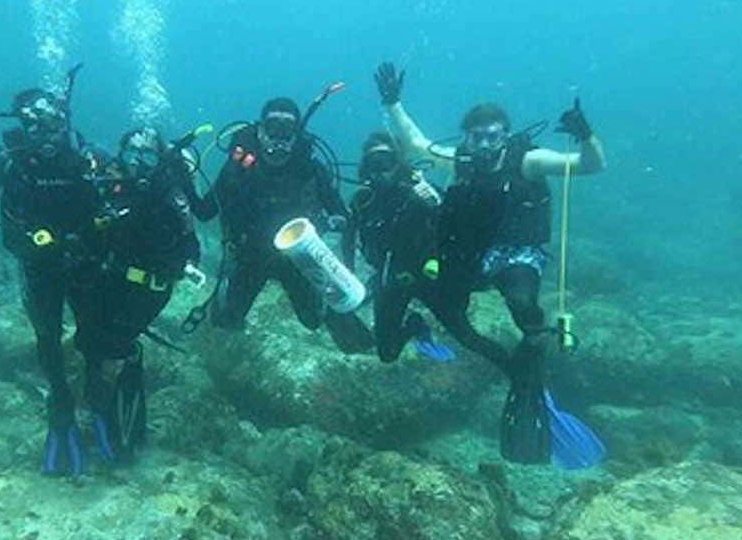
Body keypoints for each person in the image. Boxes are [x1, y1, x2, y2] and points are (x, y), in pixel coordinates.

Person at [373, 62, 606, 464]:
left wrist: (586, 136)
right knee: (442, 306)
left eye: (493, 137)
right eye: (477, 137)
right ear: (467, 137)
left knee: (521, 305)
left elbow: (589, 166)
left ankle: (533, 363)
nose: (484, 146)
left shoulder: (528, 161)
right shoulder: (459, 160)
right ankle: (506, 363)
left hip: (518, 252)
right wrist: (392, 102)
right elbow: (414, 142)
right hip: (473, 256)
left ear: (505, 136)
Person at [0, 74, 110, 476]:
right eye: (35, 126)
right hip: (37, 264)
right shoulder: (8, 158)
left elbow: (125, 197)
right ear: (22, 125)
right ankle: (60, 404)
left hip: (85, 261)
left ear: (64, 120)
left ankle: (98, 391)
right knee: (46, 334)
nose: (45, 135)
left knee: (92, 331)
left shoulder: (87, 154)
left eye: (52, 125)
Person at [77, 126, 204, 461]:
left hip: (148, 288)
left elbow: (191, 242)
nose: (139, 162)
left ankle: (123, 439)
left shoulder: (166, 190)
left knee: (115, 349)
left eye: (148, 155)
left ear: (159, 159)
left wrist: (182, 262)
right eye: (132, 154)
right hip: (112, 279)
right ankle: (102, 417)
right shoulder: (111, 184)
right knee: (89, 343)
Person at [207, 96, 372, 353]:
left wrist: (328, 223)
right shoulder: (238, 167)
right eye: (273, 127)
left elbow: (342, 215)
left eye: (288, 128)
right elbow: (206, 211)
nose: (280, 136)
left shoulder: (310, 169)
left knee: (312, 321)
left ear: (297, 133)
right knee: (225, 319)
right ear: (260, 130)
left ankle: (339, 321)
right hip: (249, 255)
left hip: (298, 259)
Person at [348, 132, 510, 367]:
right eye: (373, 163)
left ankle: (520, 377)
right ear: (365, 167)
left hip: (430, 275)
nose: (380, 170)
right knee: (387, 353)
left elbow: (457, 228)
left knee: (467, 337)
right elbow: (348, 238)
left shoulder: (421, 191)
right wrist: (350, 273)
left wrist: (436, 204)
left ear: (398, 163)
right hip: (391, 278)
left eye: (386, 161)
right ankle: (415, 326)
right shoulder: (362, 201)